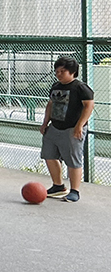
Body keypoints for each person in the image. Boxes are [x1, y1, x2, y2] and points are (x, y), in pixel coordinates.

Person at [39, 55, 94, 203]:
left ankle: (74, 191)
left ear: (72, 72)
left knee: (73, 159)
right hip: (55, 126)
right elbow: (50, 104)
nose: (58, 74)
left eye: (62, 71)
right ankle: (58, 186)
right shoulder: (55, 86)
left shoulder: (80, 88)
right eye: (57, 71)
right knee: (49, 155)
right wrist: (45, 123)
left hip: (72, 128)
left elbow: (89, 106)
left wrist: (79, 125)